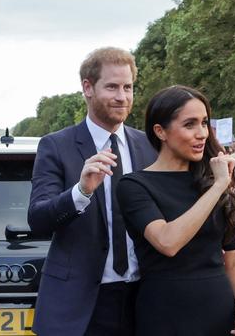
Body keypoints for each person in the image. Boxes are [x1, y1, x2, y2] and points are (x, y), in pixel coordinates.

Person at [27, 47, 157, 335]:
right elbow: (37, 220)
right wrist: (81, 191)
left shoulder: (149, 146)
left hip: (144, 300)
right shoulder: (55, 146)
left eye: (128, 87)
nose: (122, 97)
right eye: (112, 87)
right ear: (87, 87)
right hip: (82, 307)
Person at [116, 85, 235, 335]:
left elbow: (232, 261)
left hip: (220, 314)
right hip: (165, 315)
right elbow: (168, 241)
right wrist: (220, 185)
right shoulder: (134, 185)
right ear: (160, 131)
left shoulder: (210, 182)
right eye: (190, 124)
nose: (201, 133)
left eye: (204, 123)